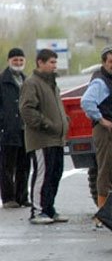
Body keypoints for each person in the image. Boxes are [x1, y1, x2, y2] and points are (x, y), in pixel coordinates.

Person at [19, 49, 69, 224]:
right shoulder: (32, 83)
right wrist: (46, 124)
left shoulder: (52, 83)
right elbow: (27, 109)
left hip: (56, 139)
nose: (55, 66)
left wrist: (64, 122)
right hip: (42, 139)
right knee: (43, 173)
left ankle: (49, 208)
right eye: (51, 62)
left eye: (55, 62)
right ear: (40, 62)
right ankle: (38, 211)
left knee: (55, 173)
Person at [80, 46, 112, 220]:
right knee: (107, 171)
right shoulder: (101, 81)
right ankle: (103, 212)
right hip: (105, 131)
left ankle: (109, 210)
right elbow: (87, 101)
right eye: (111, 62)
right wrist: (101, 119)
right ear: (103, 62)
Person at [0, 48, 30, 208]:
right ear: (9, 61)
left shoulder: (27, 80)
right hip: (8, 130)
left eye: (20, 60)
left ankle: (22, 197)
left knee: (24, 166)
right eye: (15, 60)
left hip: (25, 130)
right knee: (7, 166)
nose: (18, 63)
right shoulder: (2, 81)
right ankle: (8, 198)